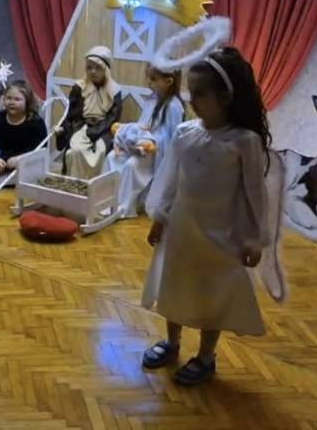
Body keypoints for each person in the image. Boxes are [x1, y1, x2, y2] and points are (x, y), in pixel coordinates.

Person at [141, 45, 281, 385]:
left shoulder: (244, 142)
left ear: (226, 97)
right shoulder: (185, 133)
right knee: (175, 285)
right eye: (190, 91)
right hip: (182, 231)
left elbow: (255, 195)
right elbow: (171, 180)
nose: (191, 99)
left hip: (221, 237)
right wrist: (160, 217)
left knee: (212, 294)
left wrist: (254, 238)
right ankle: (171, 342)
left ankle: (205, 356)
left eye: (200, 93)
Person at [105, 66, 185, 218]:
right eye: (148, 77)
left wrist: (149, 139)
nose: (149, 82)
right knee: (112, 157)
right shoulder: (152, 99)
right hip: (141, 144)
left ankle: (124, 206)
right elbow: (142, 124)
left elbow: (172, 138)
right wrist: (133, 133)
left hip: (155, 152)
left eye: (153, 79)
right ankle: (107, 201)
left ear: (168, 81)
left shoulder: (174, 106)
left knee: (131, 165)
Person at [56, 46, 123, 180]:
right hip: (82, 126)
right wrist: (62, 129)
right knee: (76, 149)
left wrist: (96, 131)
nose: (93, 72)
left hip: (104, 129)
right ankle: (76, 182)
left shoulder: (115, 90)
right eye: (89, 68)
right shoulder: (79, 87)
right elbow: (71, 113)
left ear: (106, 69)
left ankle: (94, 184)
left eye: (98, 68)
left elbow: (113, 117)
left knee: (101, 151)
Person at [0, 80, 47, 189]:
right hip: (3, 158)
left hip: (24, 158)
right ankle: (0, 179)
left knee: (34, 170)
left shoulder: (35, 122)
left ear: (27, 101)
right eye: (8, 98)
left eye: (17, 99)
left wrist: (20, 159)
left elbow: (41, 149)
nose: (12, 102)